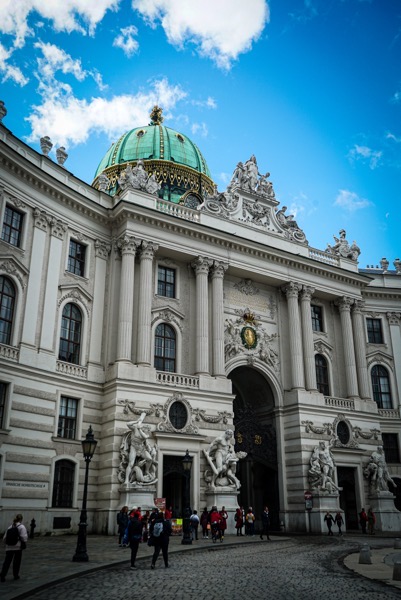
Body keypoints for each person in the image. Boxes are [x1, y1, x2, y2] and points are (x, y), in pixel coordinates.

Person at [1, 513, 28, 582]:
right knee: (17, 562)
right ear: (21, 519)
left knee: (7, 562)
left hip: (9, 547)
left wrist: (7, 544)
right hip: (17, 547)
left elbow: (4, 538)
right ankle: (15, 575)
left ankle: (3, 575)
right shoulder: (22, 527)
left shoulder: (10, 527)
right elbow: (24, 538)